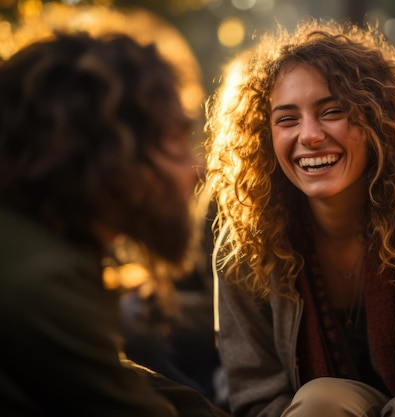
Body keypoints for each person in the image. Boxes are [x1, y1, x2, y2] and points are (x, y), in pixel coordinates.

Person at [203, 19, 395, 417]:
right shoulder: (247, 241)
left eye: (332, 111)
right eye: (287, 119)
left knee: (321, 404)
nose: (310, 135)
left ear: (377, 121)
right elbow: (256, 396)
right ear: (265, 136)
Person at [0, 32, 227, 417]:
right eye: (175, 140)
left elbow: (110, 372)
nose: (196, 167)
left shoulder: (38, 242)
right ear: (110, 150)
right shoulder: (42, 278)